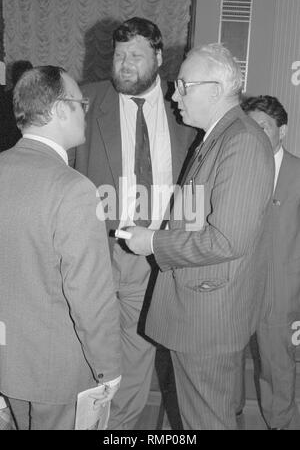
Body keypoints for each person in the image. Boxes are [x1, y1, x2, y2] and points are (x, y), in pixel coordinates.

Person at [124, 43, 275, 430]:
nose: (174, 95)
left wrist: (152, 243)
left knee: (204, 421)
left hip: (207, 318)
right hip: (201, 309)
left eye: (183, 86)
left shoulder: (239, 141)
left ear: (215, 88)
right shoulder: (217, 136)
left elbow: (227, 240)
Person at [70, 17, 197, 429]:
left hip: (155, 258)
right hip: (96, 253)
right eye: (119, 55)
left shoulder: (187, 110)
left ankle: (119, 432)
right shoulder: (85, 103)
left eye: (136, 55)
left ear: (159, 58)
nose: (124, 64)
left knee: (138, 358)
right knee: (84, 351)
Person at [0, 65, 121, 430]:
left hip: (8, 366)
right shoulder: (73, 189)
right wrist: (109, 368)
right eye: (80, 102)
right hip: (56, 375)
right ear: (58, 109)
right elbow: (91, 296)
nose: (85, 110)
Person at [239, 95, 300, 430]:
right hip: (237, 285)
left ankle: (280, 423)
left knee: (277, 368)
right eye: (250, 127)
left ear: (283, 131)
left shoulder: (298, 173)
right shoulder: (235, 168)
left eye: (263, 126)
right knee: (230, 361)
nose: (256, 134)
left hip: (280, 291)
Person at [0, 60, 33, 152]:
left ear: (12, 77)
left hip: (5, 151)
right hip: (27, 150)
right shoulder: (36, 101)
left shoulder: (3, 98)